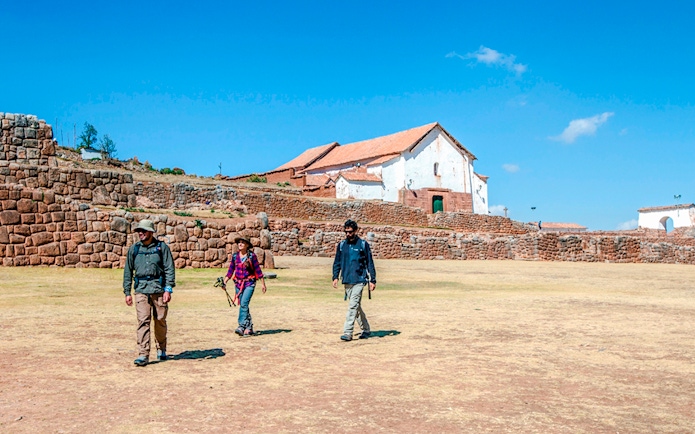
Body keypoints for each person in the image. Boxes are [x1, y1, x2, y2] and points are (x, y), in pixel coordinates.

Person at [123, 219, 176, 367]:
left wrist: (168, 289)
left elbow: (169, 268)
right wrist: (127, 292)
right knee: (143, 321)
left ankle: (161, 348)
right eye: (139, 231)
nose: (141, 233)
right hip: (141, 290)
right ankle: (143, 354)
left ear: (151, 232)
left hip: (158, 289)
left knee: (160, 320)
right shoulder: (134, 249)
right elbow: (128, 271)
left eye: (144, 231)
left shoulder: (162, 248)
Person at [332, 219, 376, 342]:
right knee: (356, 307)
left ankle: (348, 332)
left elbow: (369, 262)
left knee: (352, 306)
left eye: (350, 232)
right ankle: (366, 329)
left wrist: (373, 279)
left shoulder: (363, 245)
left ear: (355, 231)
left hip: (360, 280)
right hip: (347, 280)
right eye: (346, 232)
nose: (348, 234)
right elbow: (337, 262)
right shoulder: (341, 245)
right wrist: (335, 276)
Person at [223, 236, 267, 336]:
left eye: (243, 242)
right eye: (239, 242)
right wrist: (225, 281)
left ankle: (241, 326)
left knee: (244, 304)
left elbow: (258, 271)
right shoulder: (235, 257)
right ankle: (249, 327)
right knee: (244, 305)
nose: (240, 244)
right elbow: (230, 271)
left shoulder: (252, 256)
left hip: (249, 283)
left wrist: (263, 284)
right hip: (238, 284)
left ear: (247, 245)